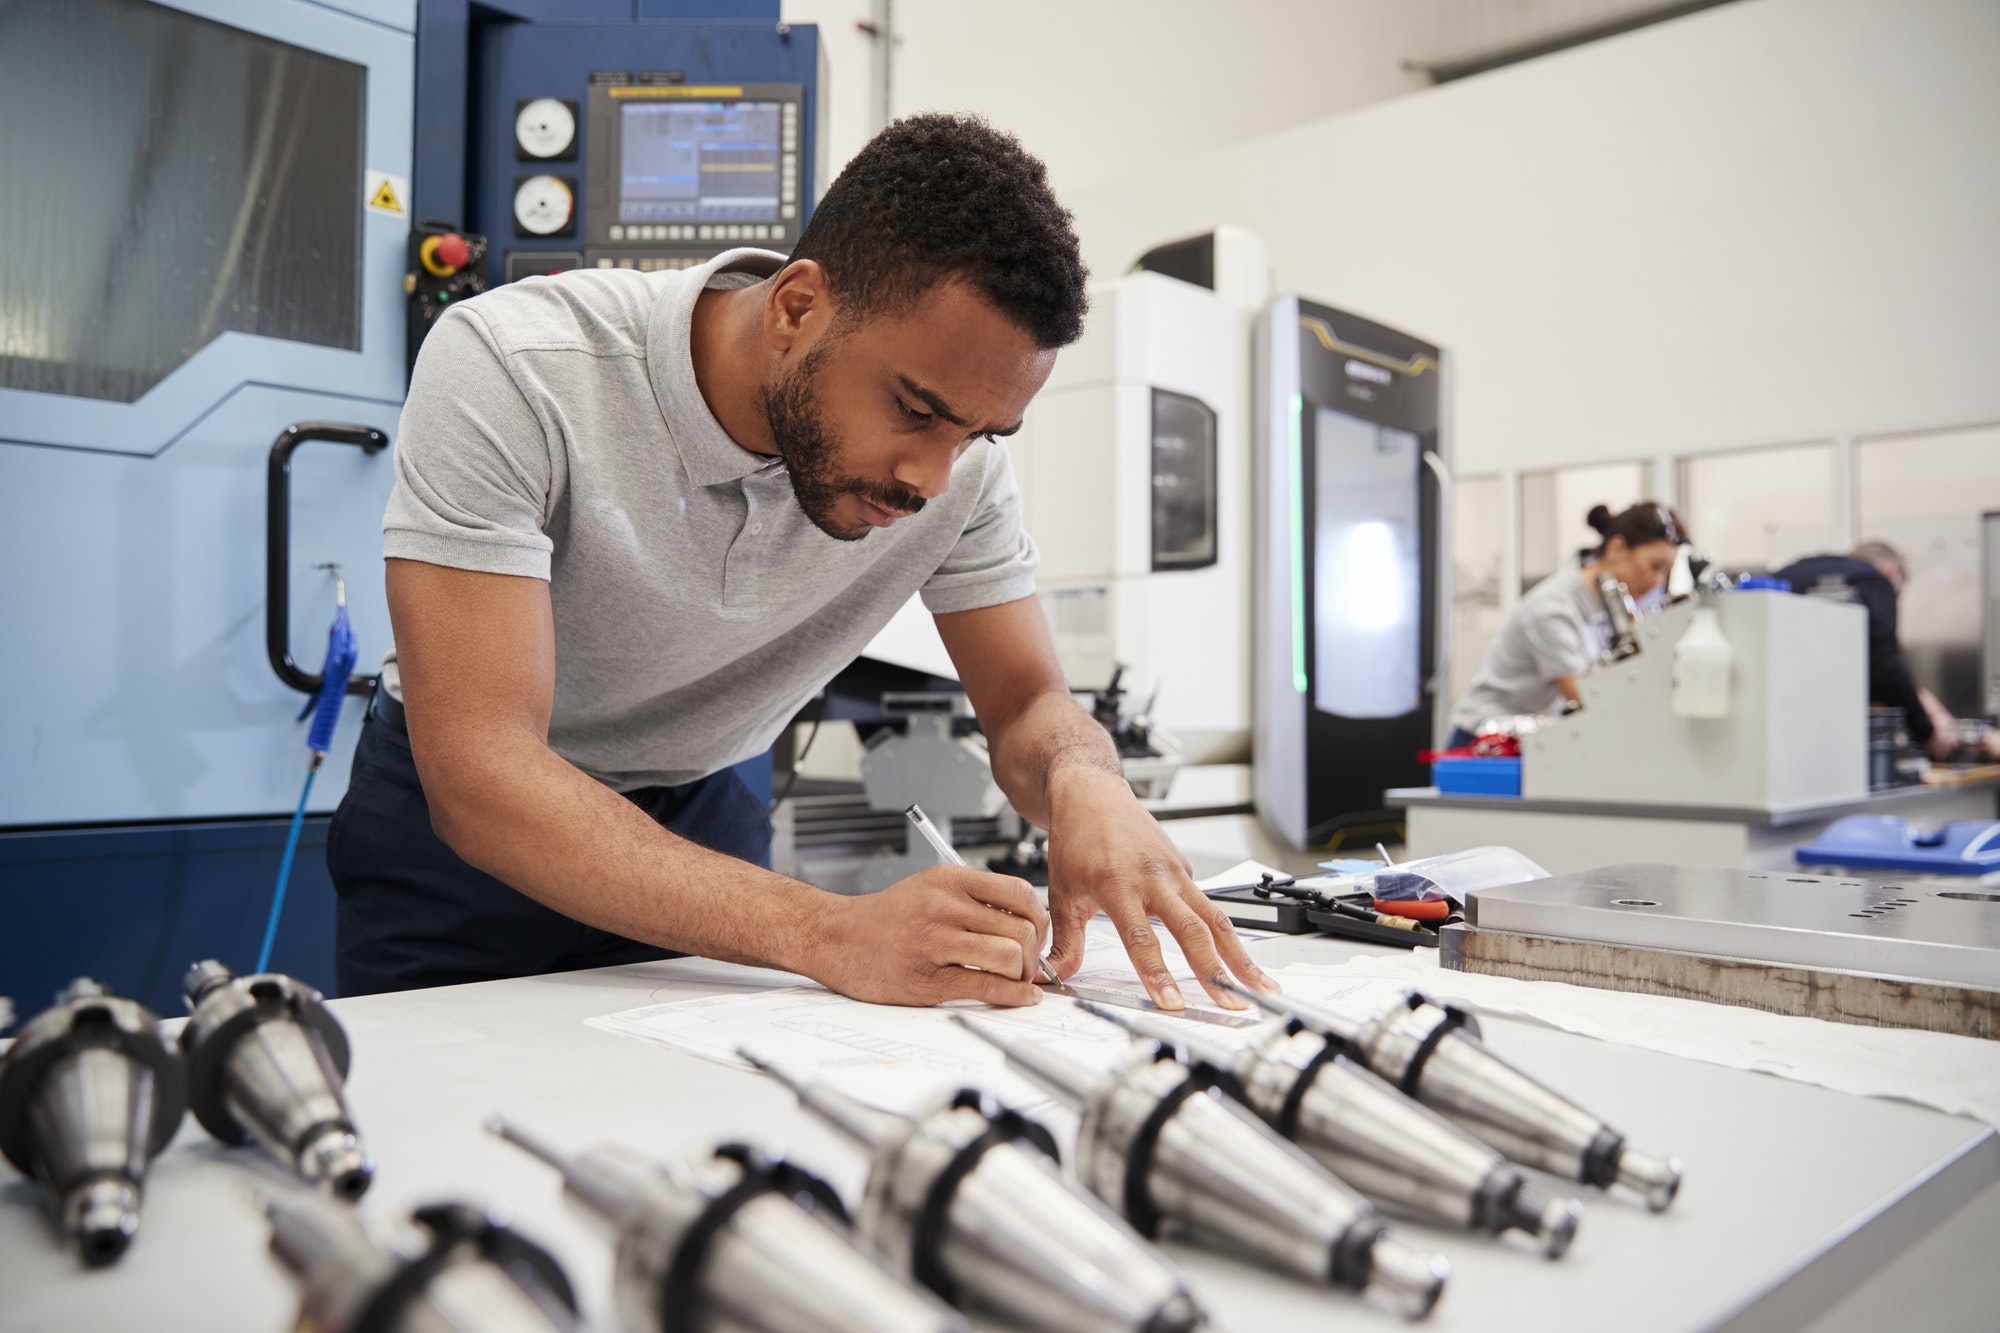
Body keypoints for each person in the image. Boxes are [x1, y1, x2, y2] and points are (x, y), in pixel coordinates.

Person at [327, 114, 1273, 1013]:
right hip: (460, 842)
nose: (932, 479)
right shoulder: (517, 366)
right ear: (797, 306)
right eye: (916, 409)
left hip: (698, 809)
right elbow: (484, 772)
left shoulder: (964, 471)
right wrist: (827, 931)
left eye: (980, 432)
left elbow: (1028, 705)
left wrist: (1085, 779)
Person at [1445, 501, 1685, 747]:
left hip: (1533, 741)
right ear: (1617, 548)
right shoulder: (1552, 609)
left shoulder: (1609, 605)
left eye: (1666, 573)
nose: (1657, 582)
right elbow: (1587, 698)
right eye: (1654, 567)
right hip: (1482, 743)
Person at [1774, 542, 1957, 762]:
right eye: (1897, 594)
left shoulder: (1790, 572)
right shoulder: (1874, 581)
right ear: (1892, 572)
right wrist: (1926, 733)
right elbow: (1884, 667)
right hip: (1817, 739)